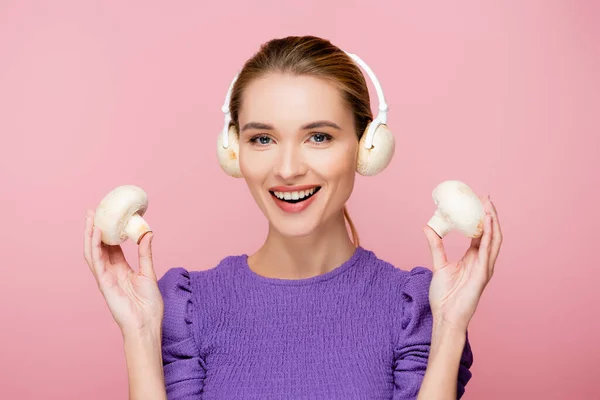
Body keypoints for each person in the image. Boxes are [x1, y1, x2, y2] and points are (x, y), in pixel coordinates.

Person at [83, 35, 502, 400]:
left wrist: (449, 326)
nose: (286, 169)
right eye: (262, 138)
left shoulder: (415, 310)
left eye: (318, 136)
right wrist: (139, 332)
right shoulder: (185, 309)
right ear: (233, 152)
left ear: (367, 147)